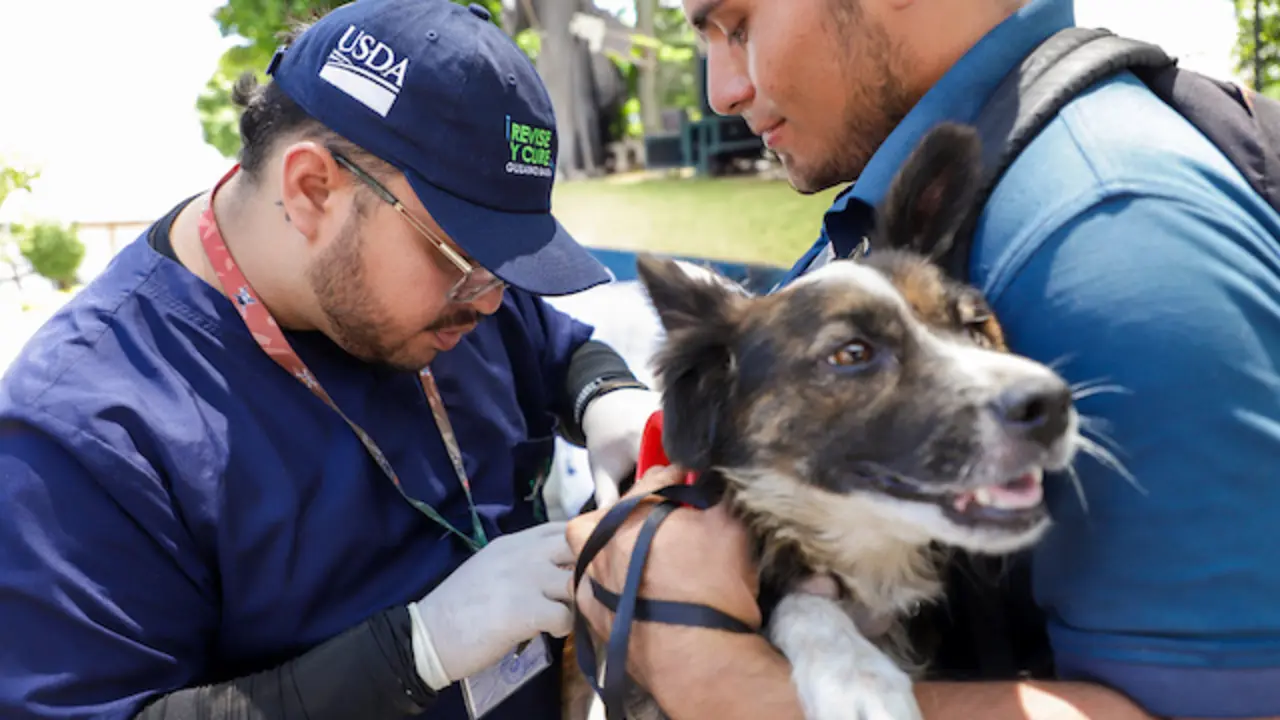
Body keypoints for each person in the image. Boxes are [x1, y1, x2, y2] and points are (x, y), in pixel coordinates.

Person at [567, 0, 1280, 718]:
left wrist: (724, 678)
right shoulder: (932, 199)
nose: (722, 90)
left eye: (740, 24)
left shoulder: (1107, 231)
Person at [0, 1, 660, 718]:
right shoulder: (81, 437)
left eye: (508, 268)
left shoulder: (459, 297)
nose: (491, 302)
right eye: (464, 257)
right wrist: (415, 653)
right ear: (312, 189)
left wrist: (605, 394)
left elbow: (552, 344)